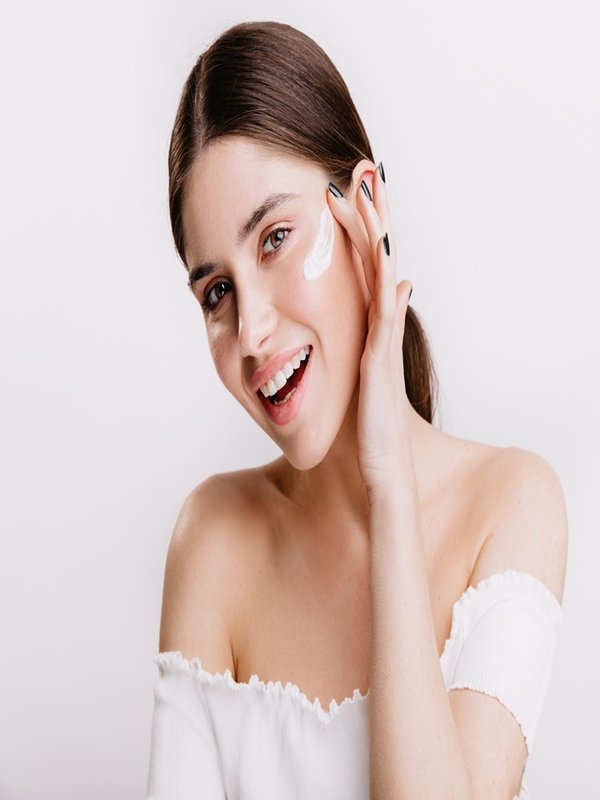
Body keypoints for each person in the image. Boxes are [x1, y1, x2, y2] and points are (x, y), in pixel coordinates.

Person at [145, 20, 567, 800]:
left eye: (275, 238)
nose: (252, 330)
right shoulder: (212, 539)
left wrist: (390, 487)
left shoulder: (512, 505)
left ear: (364, 209)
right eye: (217, 291)